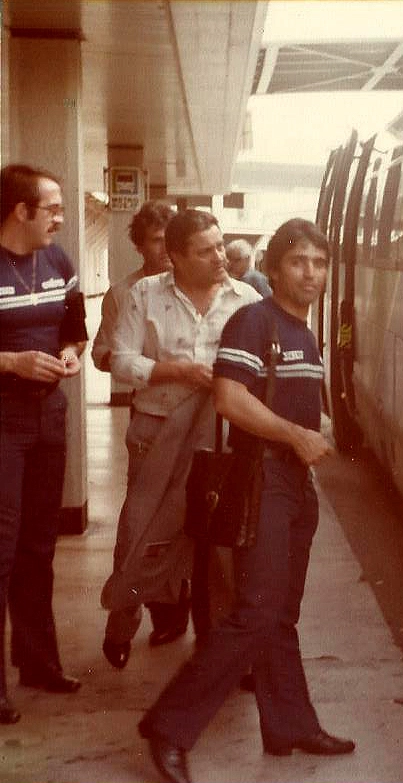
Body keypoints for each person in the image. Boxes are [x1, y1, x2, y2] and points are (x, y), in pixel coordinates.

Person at [138, 218, 353, 783]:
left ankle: (289, 724)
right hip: (263, 481)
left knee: (280, 613)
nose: (311, 273)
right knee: (255, 611)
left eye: (319, 263)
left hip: (294, 484)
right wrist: (297, 434)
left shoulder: (303, 331)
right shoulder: (254, 320)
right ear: (275, 268)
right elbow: (231, 399)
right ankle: (170, 725)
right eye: (298, 262)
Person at [101, 210, 261, 671]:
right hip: (157, 430)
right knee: (142, 527)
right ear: (175, 258)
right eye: (205, 250)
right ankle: (121, 621)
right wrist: (178, 372)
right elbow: (120, 360)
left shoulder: (244, 299)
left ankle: (226, 651)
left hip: (222, 434)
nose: (219, 256)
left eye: (220, 244)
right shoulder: (144, 295)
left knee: (221, 543)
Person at [0, 163, 89, 725]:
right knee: (0, 550)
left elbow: (73, 328)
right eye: (52, 207)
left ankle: (37, 663)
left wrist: (71, 354)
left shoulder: (58, 261)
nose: (61, 216)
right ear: (20, 211)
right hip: (2, 423)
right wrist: (9, 360)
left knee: (38, 546)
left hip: (49, 419)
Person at [91, 200, 176, 373]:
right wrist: (132, 359)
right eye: (157, 240)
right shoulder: (121, 293)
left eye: (171, 240)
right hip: (145, 394)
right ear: (139, 247)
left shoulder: (195, 288)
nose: (166, 248)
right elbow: (100, 353)